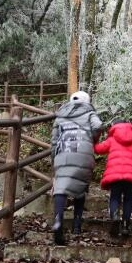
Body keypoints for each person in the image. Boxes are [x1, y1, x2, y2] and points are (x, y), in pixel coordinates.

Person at [50, 90, 102, 245]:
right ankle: (77, 226)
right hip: (83, 152)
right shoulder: (89, 113)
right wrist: (92, 138)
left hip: (63, 152)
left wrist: (54, 159)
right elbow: (98, 125)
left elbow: (54, 141)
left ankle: (58, 220)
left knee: (60, 187)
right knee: (80, 187)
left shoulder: (60, 116)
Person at [94, 119, 132, 237]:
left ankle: (115, 217)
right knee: (129, 199)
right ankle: (126, 225)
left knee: (115, 197)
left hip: (114, 176)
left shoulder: (111, 140)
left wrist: (94, 140)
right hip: (130, 177)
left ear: (114, 127)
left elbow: (98, 150)